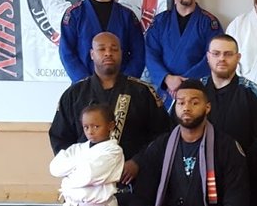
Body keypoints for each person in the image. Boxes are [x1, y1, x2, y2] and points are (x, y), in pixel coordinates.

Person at [126, 81, 249, 206]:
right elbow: (141, 195)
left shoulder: (226, 146)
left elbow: (237, 200)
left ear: (207, 107)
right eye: (181, 102)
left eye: (194, 102)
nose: (186, 108)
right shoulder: (161, 145)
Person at [49, 32, 171, 182]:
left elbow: (162, 135)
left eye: (114, 49)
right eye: (101, 49)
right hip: (87, 182)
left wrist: (138, 162)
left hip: (133, 180)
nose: (108, 53)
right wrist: (79, 169)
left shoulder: (142, 91)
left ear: (121, 53)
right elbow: (60, 138)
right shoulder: (74, 94)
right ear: (92, 54)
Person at [58, 0, 147, 83]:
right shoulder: (74, 15)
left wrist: (126, 82)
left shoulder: (127, 16)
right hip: (85, 85)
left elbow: (139, 53)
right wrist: (84, 82)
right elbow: (66, 53)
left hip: (121, 85)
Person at [145, 0, 223, 108]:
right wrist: (167, 78)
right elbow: (150, 54)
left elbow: (214, 57)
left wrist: (186, 82)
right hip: (166, 92)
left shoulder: (209, 23)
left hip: (197, 91)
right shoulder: (160, 22)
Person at [196, 34, 257, 150]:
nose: (222, 58)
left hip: (243, 160)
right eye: (216, 54)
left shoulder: (253, 94)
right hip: (198, 159)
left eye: (228, 54)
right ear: (208, 57)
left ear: (238, 57)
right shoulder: (195, 91)